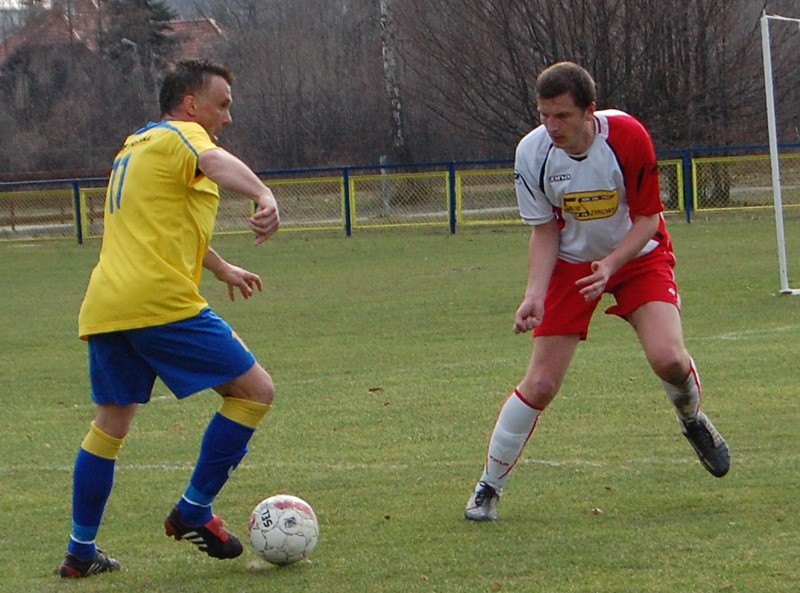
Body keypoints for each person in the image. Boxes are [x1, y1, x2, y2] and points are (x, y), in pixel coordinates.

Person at [464, 61, 730, 522]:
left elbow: (648, 217)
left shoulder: (627, 136)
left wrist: (611, 264)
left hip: (638, 255)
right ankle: (489, 486)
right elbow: (545, 231)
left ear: (590, 111)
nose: (551, 127)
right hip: (571, 266)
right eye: (544, 115)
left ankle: (691, 419)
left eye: (562, 116)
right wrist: (534, 293)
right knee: (542, 383)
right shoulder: (532, 152)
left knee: (668, 358)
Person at [57, 59, 281, 577]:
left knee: (110, 427)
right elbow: (216, 160)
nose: (227, 117)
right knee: (254, 392)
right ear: (190, 105)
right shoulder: (183, 137)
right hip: (159, 303)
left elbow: (160, 225)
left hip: (108, 304)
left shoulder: (137, 146)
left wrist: (221, 266)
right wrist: (264, 194)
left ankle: (80, 552)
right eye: (221, 104)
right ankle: (194, 509)